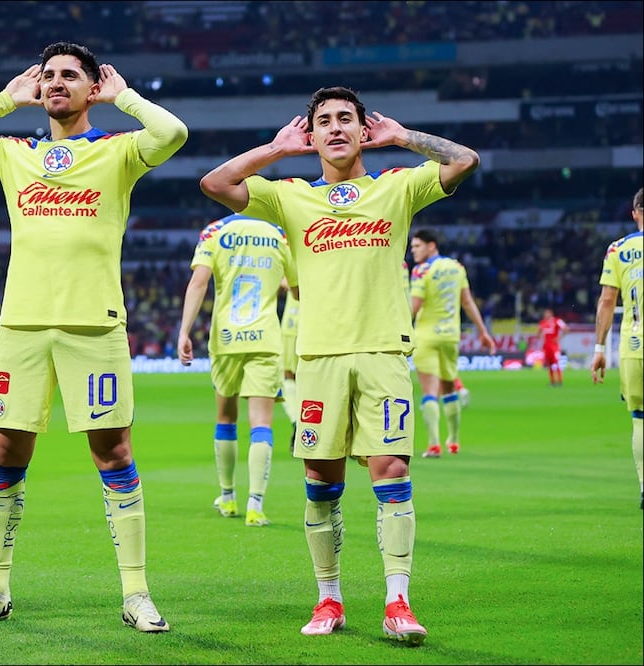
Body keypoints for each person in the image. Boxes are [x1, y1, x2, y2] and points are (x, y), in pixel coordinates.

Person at [200, 85, 479, 645]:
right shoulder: (290, 195)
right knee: (319, 481)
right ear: (312, 133)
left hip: (383, 353)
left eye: (345, 119)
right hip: (319, 359)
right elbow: (216, 183)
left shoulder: (397, 188)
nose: (334, 128)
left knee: (392, 474)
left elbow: (464, 160)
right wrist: (277, 150)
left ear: (361, 129)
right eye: (322, 120)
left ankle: (397, 600)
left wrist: (404, 137)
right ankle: (329, 597)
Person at [0, 42, 187, 632]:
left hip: (94, 324)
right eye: (48, 76)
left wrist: (127, 98)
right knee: (6, 452)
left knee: (112, 451)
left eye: (70, 76)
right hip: (21, 324)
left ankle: (137, 592)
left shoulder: (118, 151)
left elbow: (173, 134)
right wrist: (1, 100)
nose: (55, 84)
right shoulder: (14, 153)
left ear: (93, 88)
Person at [176, 213, 297, 527]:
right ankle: (255, 505)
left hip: (227, 338)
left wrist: (184, 331)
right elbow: (298, 289)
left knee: (226, 417)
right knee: (262, 423)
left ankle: (228, 498)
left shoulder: (214, 231)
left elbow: (199, 282)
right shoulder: (279, 235)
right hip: (267, 339)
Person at [408, 229, 496, 458]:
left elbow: (414, 307)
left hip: (426, 336)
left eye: (417, 246)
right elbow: (467, 302)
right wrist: (483, 332)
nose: (413, 250)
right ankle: (454, 440)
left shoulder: (421, 270)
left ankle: (434, 444)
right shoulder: (457, 268)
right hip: (450, 337)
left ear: (431, 245)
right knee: (449, 388)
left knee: (429, 392)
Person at [591, 187, 643, 510]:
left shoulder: (619, 250)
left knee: (640, 419)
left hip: (634, 346)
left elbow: (607, 301)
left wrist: (599, 348)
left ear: (635, 212)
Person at [279, 282, 301, 452]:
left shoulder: (292, 254)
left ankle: (297, 422)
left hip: (293, 323)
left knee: (289, 377)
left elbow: (284, 280)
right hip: (321, 322)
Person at [537, 308, 567, 386]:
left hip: (554, 346)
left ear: (551, 314)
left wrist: (558, 338)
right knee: (549, 364)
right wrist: (539, 336)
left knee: (557, 363)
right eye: (545, 314)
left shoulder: (557, 320)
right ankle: (552, 381)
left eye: (547, 313)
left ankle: (560, 381)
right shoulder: (542, 322)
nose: (545, 315)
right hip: (546, 346)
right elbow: (538, 333)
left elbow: (566, 329)